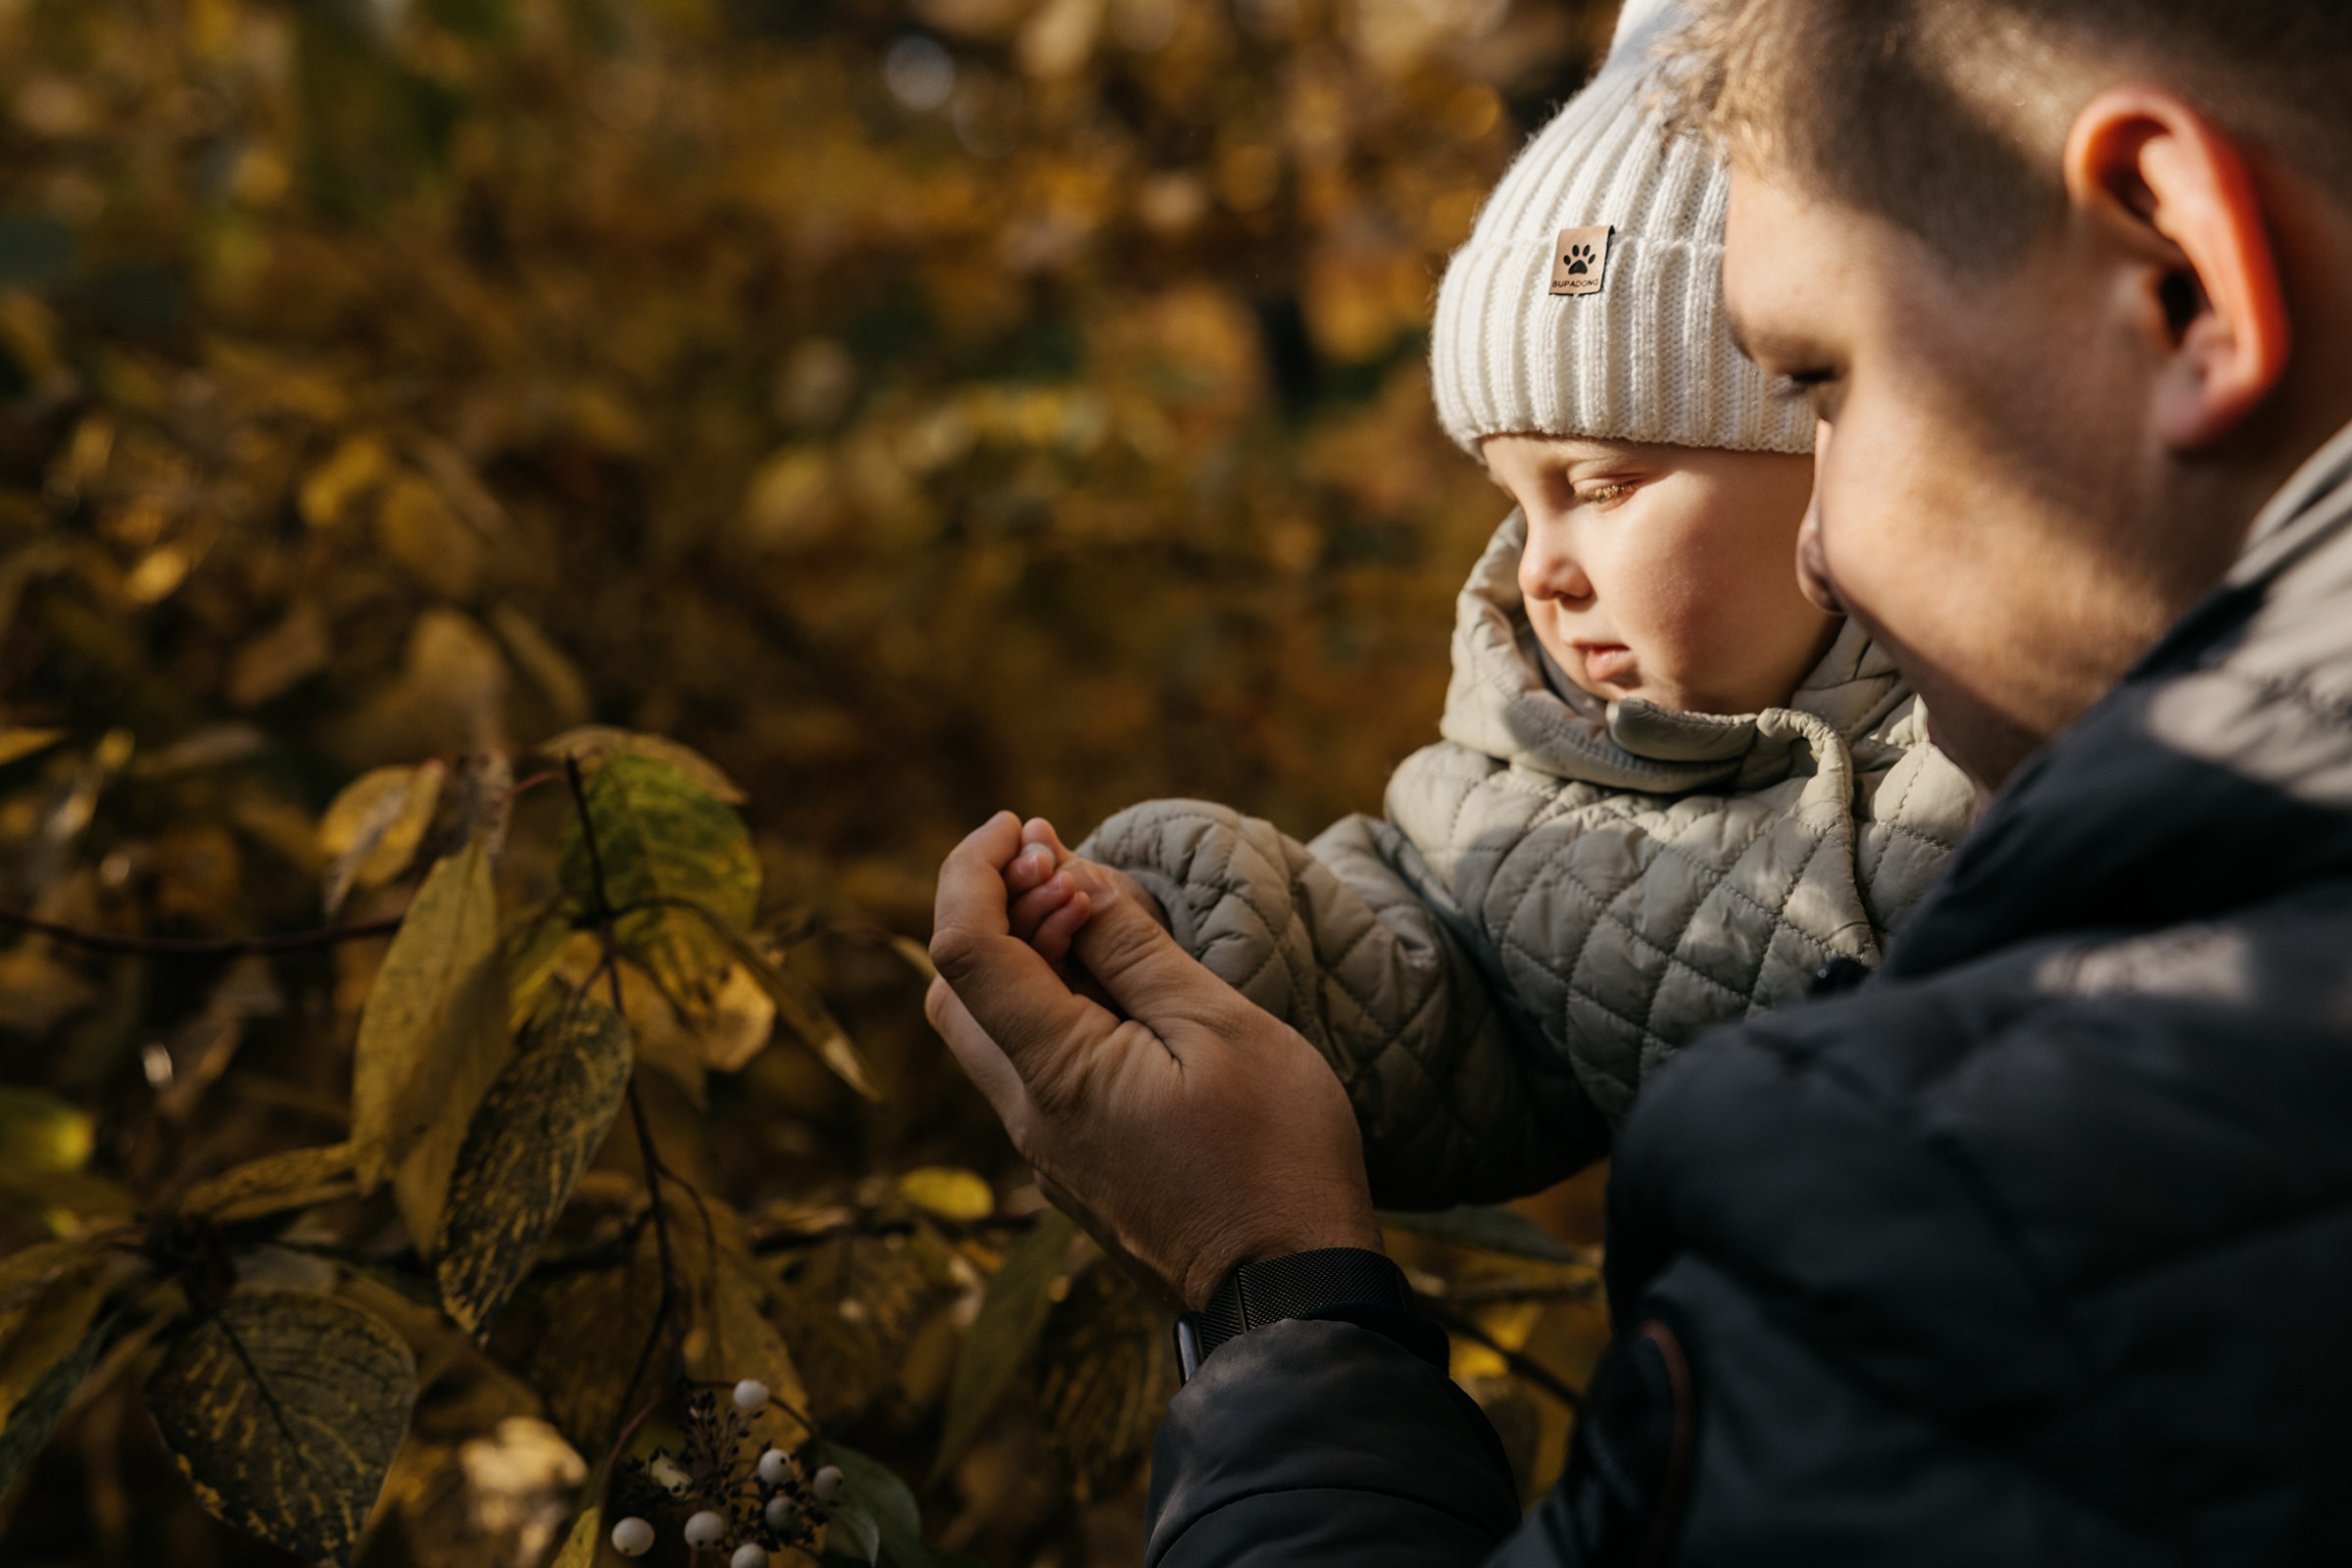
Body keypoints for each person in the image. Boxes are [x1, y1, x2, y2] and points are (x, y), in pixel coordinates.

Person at [927, 0, 2352, 1559]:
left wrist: (1268, 1283)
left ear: (2181, 273)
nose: (1824, 537)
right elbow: (1448, 948)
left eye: (1823, 384)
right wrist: (1215, 935)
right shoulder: (1568, 772)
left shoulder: (1990, 1188)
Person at [998, 0, 1973, 1210]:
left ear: (1836, 427)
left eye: (1604, 485)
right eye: (1519, 500)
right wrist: (1186, 931)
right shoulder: (1529, 797)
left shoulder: (2023, 701)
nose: (1538, 571)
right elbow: (1438, 1006)